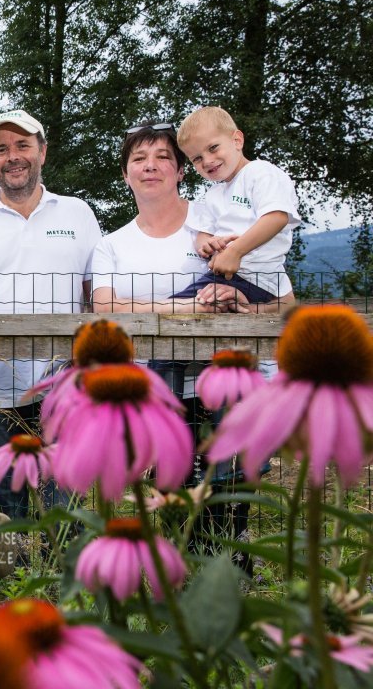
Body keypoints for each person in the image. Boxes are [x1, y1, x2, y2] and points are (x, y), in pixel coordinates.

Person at [92, 120, 295, 574]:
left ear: (182, 171)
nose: (151, 166)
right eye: (139, 159)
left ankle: (231, 565)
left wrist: (240, 304)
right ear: (125, 174)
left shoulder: (223, 228)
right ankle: (184, 567)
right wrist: (185, 309)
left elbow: (283, 308)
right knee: (175, 478)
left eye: (163, 157)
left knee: (231, 472)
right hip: (159, 382)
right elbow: (105, 307)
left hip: (226, 375)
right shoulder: (112, 244)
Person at [0, 109, 101, 520]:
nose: (13, 156)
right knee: (5, 514)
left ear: (42, 152)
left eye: (23, 145)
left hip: (64, 386)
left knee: (63, 510)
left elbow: (97, 297)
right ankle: (11, 585)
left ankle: (64, 581)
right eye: (1, 149)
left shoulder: (78, 214)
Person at [173, 106, 300, 305]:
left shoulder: (261, 173)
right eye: (197, 158)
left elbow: (277, 217)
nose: (207, 161)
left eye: (213, 148)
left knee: (175, 309)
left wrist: (235, 251)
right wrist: (207, 244)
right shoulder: (213, 194)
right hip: (224, 276)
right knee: (173, 307)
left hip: (256, 278)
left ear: (237, 140)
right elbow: (203, 233)